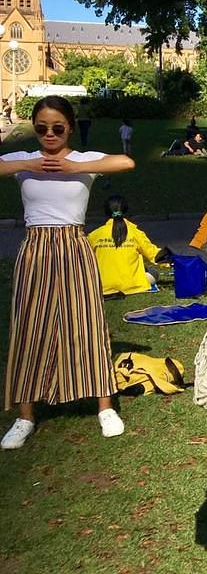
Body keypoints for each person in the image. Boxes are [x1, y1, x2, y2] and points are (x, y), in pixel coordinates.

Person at [0, 95, 135, 449]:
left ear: (70, 128)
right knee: (29, 326)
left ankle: (105, 405)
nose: (49, 134)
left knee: (87, 321)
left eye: (57, 127)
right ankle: (25, 415)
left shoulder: (83, 160)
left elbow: (126, 162)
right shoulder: (23, 160)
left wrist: (74, 168)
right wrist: (28, 165)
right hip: (35, 248)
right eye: (42, 127)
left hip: (75, 245)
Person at [88, 195, 167, 296]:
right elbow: (154, 256)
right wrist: (173, 261)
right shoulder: (135, 233)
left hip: (103, 286)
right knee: (153, 272)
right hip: (133, 285)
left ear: (106, 212)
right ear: (126, 210)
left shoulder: (94, 235)